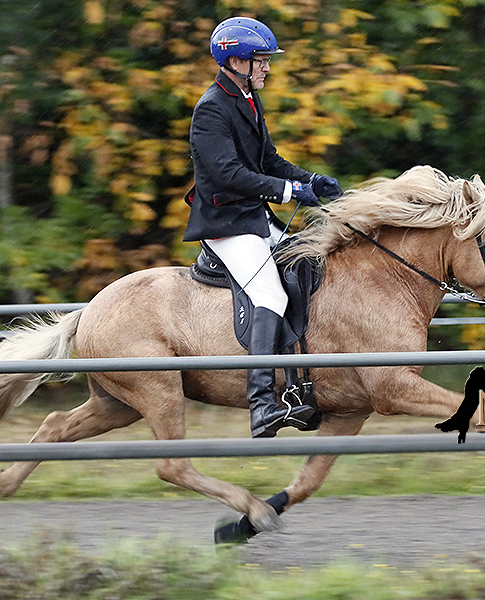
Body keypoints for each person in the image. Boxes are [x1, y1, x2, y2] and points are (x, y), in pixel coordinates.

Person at [184, 16, 342, 438]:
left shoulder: (249, 99)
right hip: (225, 224)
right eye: (261, 61)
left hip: (253, 218)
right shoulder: (210, 110)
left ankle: (297, 385)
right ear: (234, 61)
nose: (267, 67)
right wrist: (291, 192)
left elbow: (269, 161)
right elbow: (230, 174)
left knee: (309, 265)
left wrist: (311, 181)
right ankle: (261, 405)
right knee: (269, 291)